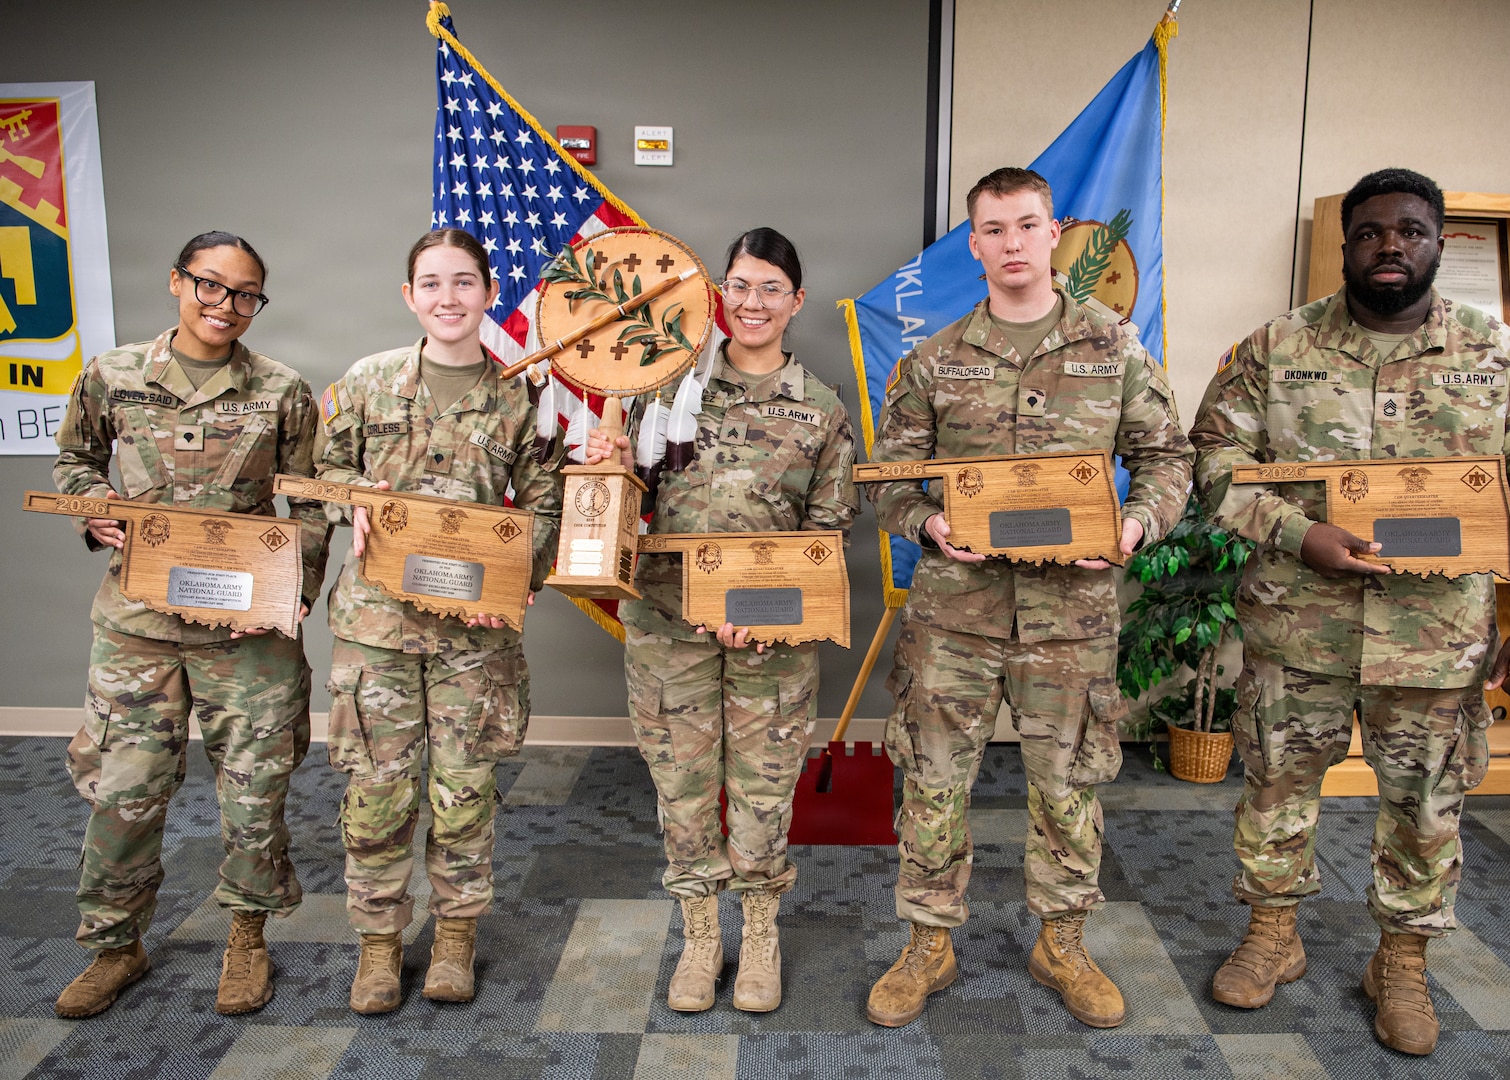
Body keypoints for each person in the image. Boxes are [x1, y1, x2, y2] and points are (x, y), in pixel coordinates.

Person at [1189, 167, 1510, 1056]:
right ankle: (1273, 934)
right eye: (1372, 232)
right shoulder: (1274, 349)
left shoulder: (1505, 362)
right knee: (1274, 788)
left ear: (1437, 243)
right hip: (1299, 628)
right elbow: (1213, 463)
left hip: (1435, 640)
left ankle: (1402, 962)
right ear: (1347, 245)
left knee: (1425, 806)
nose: (1390, 247)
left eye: (1410, 232)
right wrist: (1296, 532)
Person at [863, 168, 1193, 1029]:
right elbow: (889, 482)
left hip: (1071, 617)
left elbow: (1169, 462)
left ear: (1056, 235)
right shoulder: (931, 360)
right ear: (972, 245)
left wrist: (1134, 530)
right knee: (933, 783)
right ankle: (928, 943)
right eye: (994, 229)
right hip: (955, 618)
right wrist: (930, 525)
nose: (1012, 242)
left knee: (1068, 785)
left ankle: (1063, 941)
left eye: (1026, 225)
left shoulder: (1115, 349)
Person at [50, 232, 332, 1018]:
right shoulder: (113, 375)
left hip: (247, 630)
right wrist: (93, 512)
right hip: (139, 621)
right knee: (124, 790)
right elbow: (75, 463)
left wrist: (296, 590)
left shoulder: (283, 389)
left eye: (245, 295)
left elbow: (311, 503)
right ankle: (115, 945)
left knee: (255, 792)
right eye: (211, 286)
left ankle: (247, 936)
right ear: (178, 282)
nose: (226, 307)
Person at [586, 227, 857, 1014]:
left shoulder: (819, 409)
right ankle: (702, 936)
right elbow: (619, 506)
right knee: (683, 787)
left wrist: (770, 612)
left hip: (772, 640)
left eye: (771, 288)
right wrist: (607, 459)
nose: (752, 302)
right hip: (669, 628)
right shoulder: (661, 389)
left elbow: (828, 536)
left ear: (795, 302)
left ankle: (761, 932)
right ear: (718, 294)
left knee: (766, 792)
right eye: (739, 285)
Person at [316, 228, 563, 1014]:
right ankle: (380, 948)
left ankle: (456, 936)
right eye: (431, 283)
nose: (448, 298)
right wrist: (349, 498)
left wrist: (528, 566)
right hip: (378, 628)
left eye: (464, 283)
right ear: (409, 296)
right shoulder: (365, 382)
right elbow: (322, 473)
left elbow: (549, 506)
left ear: (490, 293)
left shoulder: (523, 398)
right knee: (378, 794)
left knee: (464, 791)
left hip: (474, 638)